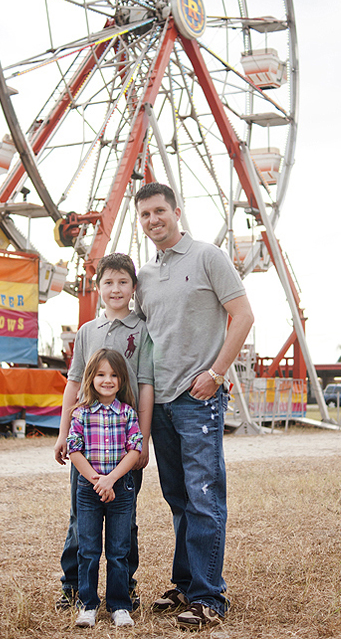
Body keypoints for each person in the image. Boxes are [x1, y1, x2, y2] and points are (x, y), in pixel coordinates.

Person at [133, 182, 254, 629]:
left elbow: (243, 316)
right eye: (145, 215)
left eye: (159, 211)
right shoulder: (144, 276)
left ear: (177, 211)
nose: (153, 220)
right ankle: (185, 584)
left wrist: (217, 373)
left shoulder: (208, 256)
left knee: (205, 496)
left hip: (196, 398)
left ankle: (209, 596)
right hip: (159, 400)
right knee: (179, 498)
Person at [53, 253, 154, 611]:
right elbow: (74, 383)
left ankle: (125, 586)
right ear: (98, 288)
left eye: (122, 282)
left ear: (133, 288)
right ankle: (73, 586)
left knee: (126, 519)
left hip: (124, 445)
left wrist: (142, 441)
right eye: (108, 282)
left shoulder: (141, 331)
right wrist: (64, 432)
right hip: (88, 443)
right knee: (80, 517)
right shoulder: (87, 331)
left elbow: (144, 386)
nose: (115, 289)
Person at [67, 348, 144, 628]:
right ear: (91, 378)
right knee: (87, 549)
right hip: (89, 491)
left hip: (121, 488)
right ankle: (87, 604)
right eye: (101, 374)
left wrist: (111, 479)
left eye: (113, 375)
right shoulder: (82, 413)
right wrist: (98, 481)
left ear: (121, 381)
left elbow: (135, 448)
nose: (107, 380)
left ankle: (119, 604)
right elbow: (74, 450)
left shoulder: (127, 413)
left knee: (118, 550)